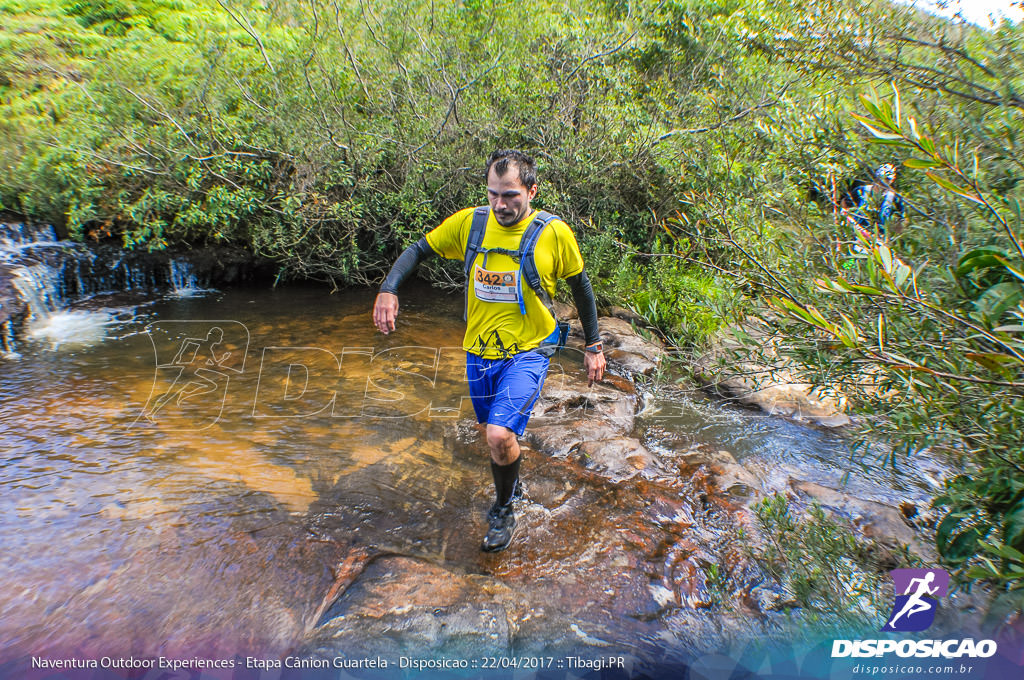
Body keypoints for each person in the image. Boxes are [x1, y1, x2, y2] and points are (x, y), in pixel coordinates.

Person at [372, 149, 606, 553]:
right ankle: (512, 477)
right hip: (478, 353)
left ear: (532, 191)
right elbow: (418, 251)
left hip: (530, 351)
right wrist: (388, 289)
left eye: (511, 195)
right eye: (494, 194)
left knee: (498, 434)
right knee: (491, 435)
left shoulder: (554, 233)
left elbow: (580, 287)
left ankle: (503, 507)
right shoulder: (471, 223)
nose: (500, 205)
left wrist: (594, 344)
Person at [851, 163, 904, 239]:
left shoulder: (894, 198)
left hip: (878, 238)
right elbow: (845, 207)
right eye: (882, 178)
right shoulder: (861, 191)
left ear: (892, 181)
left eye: (888, 180)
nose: (884, 182)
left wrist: (893, 239)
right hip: (857, 234)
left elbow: (900, 220)